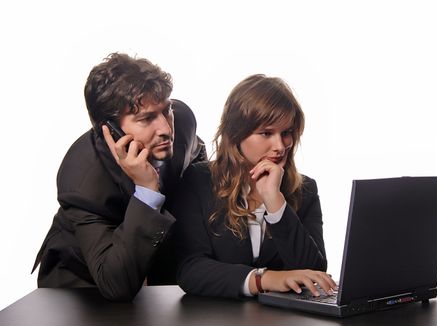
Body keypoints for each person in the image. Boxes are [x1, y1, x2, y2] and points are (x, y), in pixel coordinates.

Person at [32, 53, 206, 301]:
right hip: (82, 286)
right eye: (146, 119)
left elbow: (196, 155)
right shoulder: (81, 181)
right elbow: (116, 284)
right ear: (111, 130)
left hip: (151, 268)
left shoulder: (183, 120)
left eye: (166, 110)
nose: (166, 129)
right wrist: (147, 190)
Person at [171, 74, 336, 298]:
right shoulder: (198, 180)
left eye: (286, 133)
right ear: (236, 133)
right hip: (216, 324)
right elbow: (190, 269)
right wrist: (263, 279)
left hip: (286, 325)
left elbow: (314, 272)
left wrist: (275, 202)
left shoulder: (305, 189)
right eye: (266, 133)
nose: (280, 146)